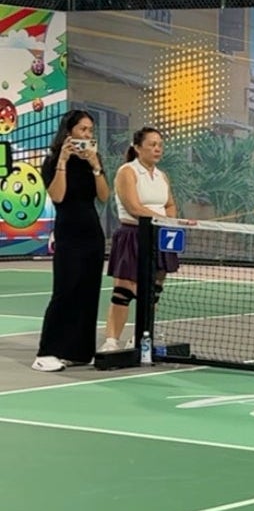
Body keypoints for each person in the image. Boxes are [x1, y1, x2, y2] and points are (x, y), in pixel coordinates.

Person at [32, 109, 110, 372]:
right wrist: (63, 161)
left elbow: (104, 196)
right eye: (82, 129)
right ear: (69, 132)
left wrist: (96, 166)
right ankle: (46, 352)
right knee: (65, 291)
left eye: (90, 130)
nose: (87, 135)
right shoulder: (52, 160)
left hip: (92, 233)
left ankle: (79, 351)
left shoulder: (92, 160)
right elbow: (58, 196)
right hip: (68, 233)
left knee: (88, 292)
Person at [99, 127, 182, 354]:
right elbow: (134, 207)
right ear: (137, 148)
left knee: (153, 292)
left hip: (160, 236)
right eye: (152, 145)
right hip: (132, 235)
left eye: (160, 145)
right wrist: (162, 219)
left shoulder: (162, 176)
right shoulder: (127, 172)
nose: (157, 149)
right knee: (123, 291)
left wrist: (170, 220)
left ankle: (141, 336)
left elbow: (170, 204)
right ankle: (111, 341)